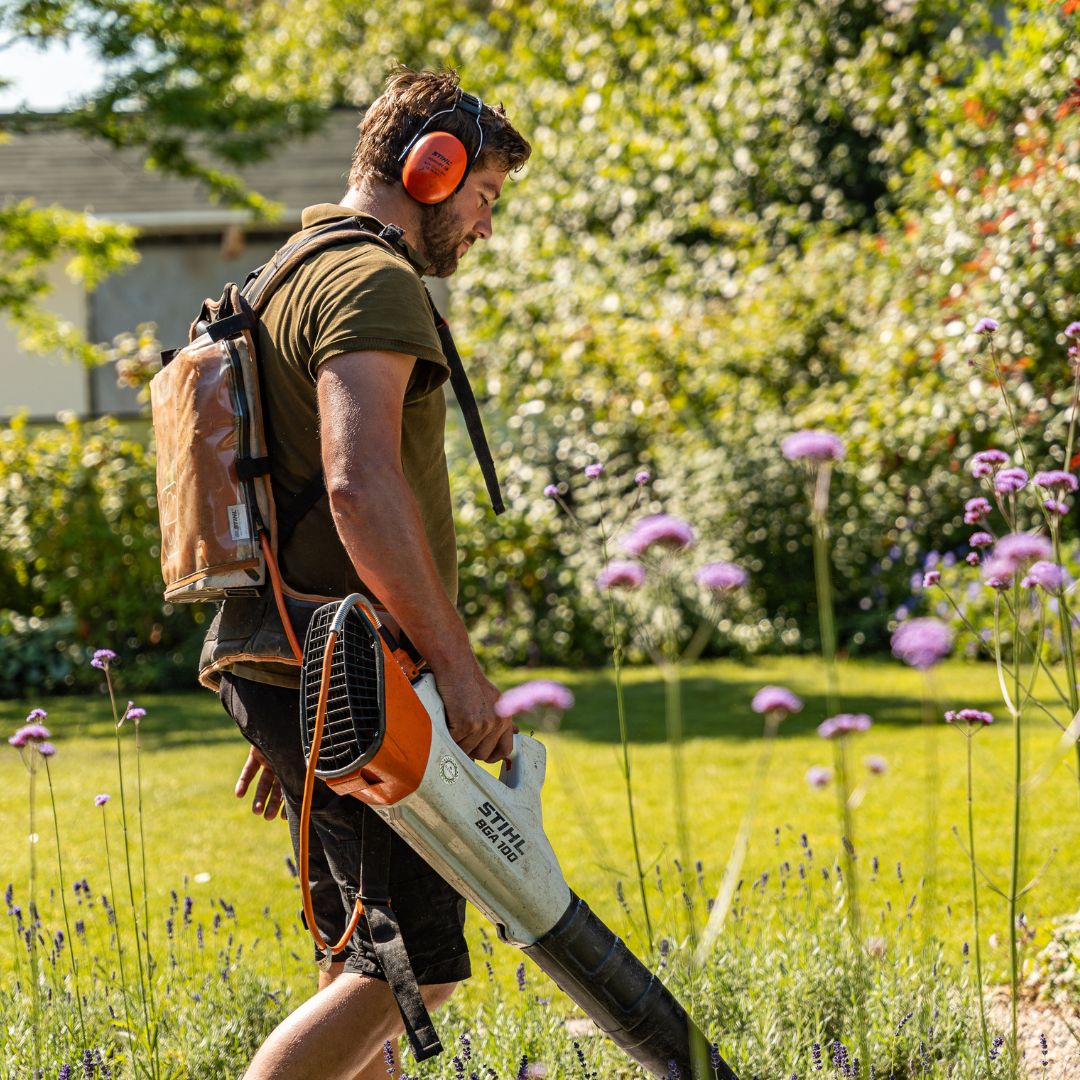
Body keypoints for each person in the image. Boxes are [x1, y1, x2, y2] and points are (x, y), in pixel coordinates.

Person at [199, 67, 532, 1079]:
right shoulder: (372, 281)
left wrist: (286, 701)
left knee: (359, 957)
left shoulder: (283, 275)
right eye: (483, 198)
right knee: (412, 970)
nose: (483, 226)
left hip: (295, 660)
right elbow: (358, 488)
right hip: (354, 671)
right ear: (431, 170)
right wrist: (458, 672)